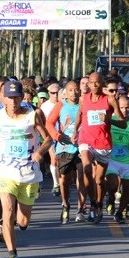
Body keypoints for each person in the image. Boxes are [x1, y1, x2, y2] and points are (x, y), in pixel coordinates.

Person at [0, 80, 53, 258]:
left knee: (22, 222)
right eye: (9, 97)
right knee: (7, 211)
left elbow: (48, 139)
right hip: (6, 172)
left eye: (16, 97)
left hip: (28, 173)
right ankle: (13, 256)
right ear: (2, 98)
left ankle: (15, 227)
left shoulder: (34, 115)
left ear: (22, 97)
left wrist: (39, 152)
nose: (13, 101)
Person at [72, 73, 126, 223]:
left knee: (100, 179)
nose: (94, 85)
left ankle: (99, 203)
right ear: (88, 84)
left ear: (102, 83)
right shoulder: (84, 99)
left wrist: (109, 120)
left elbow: (123, 123)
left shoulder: (109, 99)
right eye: (91, 83)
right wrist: (74, 131)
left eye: (97, 83)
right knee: (87, 168)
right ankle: (92, 202)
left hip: (103, 143)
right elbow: (80, 115)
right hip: (86, 140)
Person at [45, 80, 82, 224]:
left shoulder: (84, 105)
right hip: (64, 148)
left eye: (76, 89)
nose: (74, 92)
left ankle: (81, 208)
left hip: (81, 147)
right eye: (71, 90)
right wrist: (57, 136)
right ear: (65, 92)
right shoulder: (61, 105)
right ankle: (65, 204)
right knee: (65, 180)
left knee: (82, 179)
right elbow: (49, 123)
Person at [107, 95, 129, 223]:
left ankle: (119, 212)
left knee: (128, 189)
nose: (125, 110)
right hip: (112, 160)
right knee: (113, 184)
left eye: (127, 107)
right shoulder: (111, 120)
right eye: (121, 107)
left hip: (127, 160)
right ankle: (110, 197)